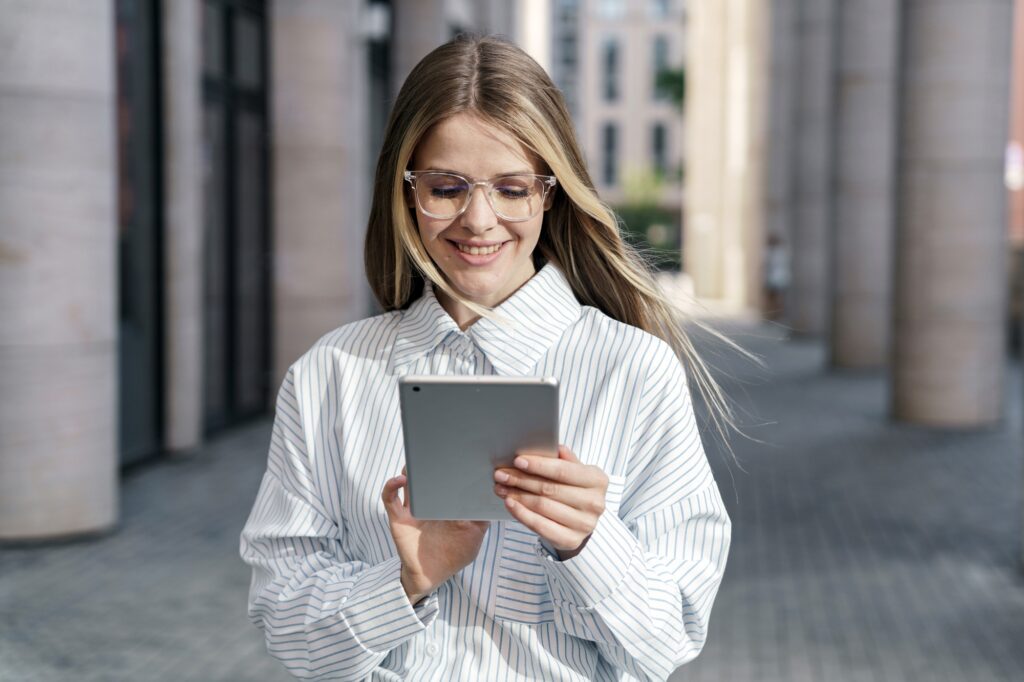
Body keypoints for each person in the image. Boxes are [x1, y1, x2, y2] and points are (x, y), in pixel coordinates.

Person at [240, 35, 731, 681]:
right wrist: (406, 581)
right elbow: (285, 626)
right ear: (405, 191)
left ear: (551, 192)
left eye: (511, 188)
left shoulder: (633, 370)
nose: (478, 219)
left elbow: (671, 637)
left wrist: (588, 544)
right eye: (445, 187)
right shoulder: (331, 376)